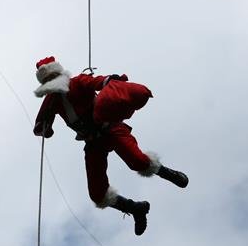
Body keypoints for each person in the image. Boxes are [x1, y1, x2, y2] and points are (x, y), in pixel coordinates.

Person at [32, 55, 188, 235]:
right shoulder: (51, 100)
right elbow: (41, 122)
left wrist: (108, 81)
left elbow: (96, 82)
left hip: (111, 128)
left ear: (58, 74)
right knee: (97, 193)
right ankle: (135, 208)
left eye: (52, 78)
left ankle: (167, 172)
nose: (51, 82)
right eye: (47, 81)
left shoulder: (77, 82)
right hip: (92, 141)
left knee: (137, 160)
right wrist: (44, 128)